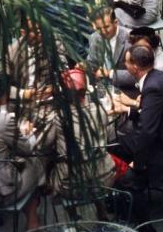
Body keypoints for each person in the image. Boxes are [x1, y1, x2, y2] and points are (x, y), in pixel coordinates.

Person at [114, 44, 163, 232]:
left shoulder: (152, 87)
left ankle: (146, 231)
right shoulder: (157, 78)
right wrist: (129, 110)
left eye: (126, 62)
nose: (125, 65)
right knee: (119, 143)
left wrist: (138, 164)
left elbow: (148, 131)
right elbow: (153, 116)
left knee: (128, 178)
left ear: (135, 67)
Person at [0, 73, 45, 230]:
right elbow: (27, 148)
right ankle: (33, 221)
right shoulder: (3, 120)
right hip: (0, 194)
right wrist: (28, 133)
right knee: (36, 163)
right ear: (3, 95)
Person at [48, 67, 116, 197]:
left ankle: (72, 213)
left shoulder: (58, 117)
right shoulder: (100, 110)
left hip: (73, 186)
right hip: (105, 179)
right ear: (85, 91)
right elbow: (110, 136)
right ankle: (101, 210)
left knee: (46, 170)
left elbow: (45, 144)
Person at [85, 6, 134, 91]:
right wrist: (85, 66)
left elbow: (136, 75)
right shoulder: (95, 37)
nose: (103, 32)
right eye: (99, 28)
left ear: (115, 23)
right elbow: (92, 62)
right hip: (100, 86)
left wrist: (109, 73)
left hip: (123, 89)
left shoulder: (131, 39)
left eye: (106, 27)